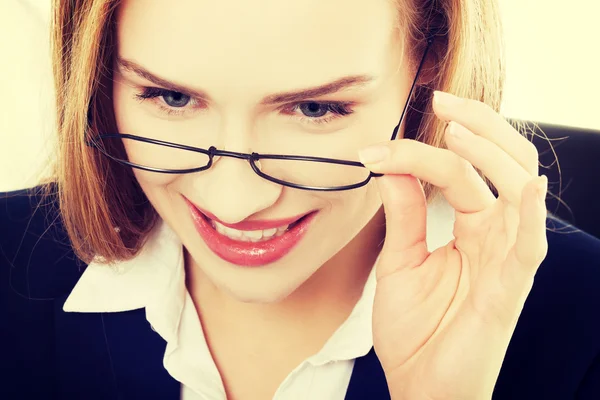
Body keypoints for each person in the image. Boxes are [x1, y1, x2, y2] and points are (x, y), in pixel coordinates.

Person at [1, 0, 599, 399]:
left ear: (431, 67)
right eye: (170, 98)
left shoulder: (585, 322)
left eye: (315, 109)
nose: (234, 202)